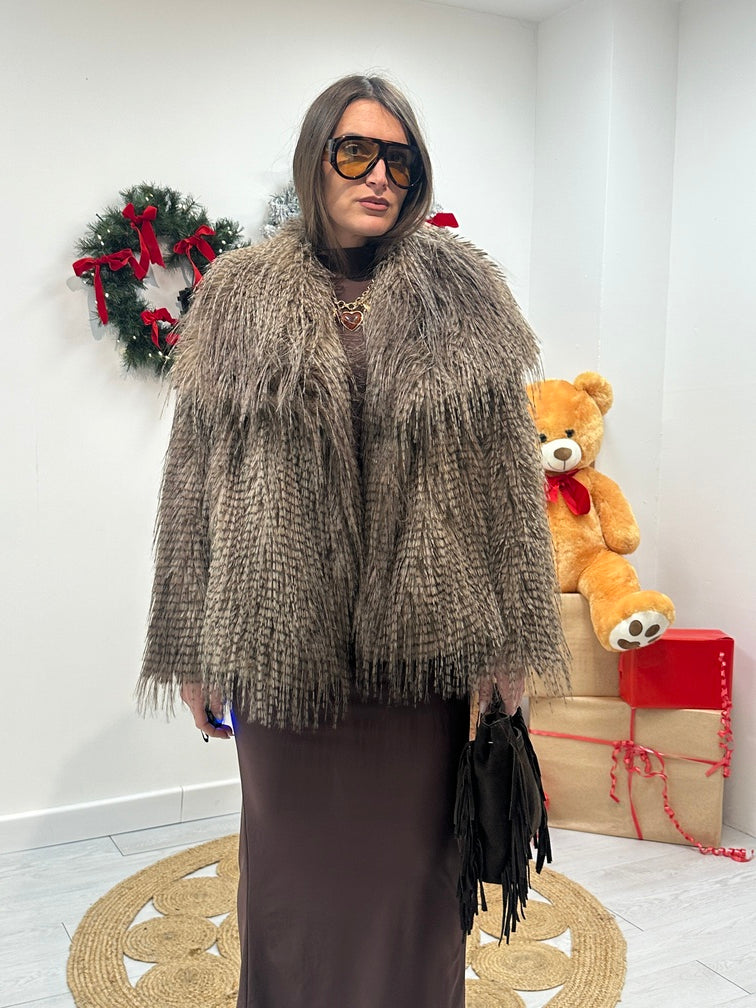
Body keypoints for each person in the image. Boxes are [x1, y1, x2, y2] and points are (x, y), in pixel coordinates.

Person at [138, 73, 569, 1008]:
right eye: (356, 152)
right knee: (290, 883)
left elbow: (510, 491)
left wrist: (512, 649)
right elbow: (191, 486)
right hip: (279, 652)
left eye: (400, 161)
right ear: (315, 160)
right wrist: (189, 649)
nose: (380, 176)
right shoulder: (238, 295)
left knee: (414, 886)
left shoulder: (465, 298)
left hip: (423, 655)